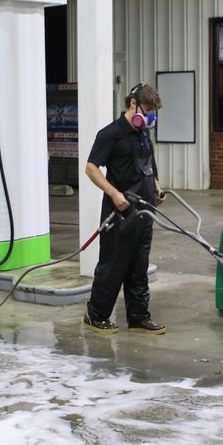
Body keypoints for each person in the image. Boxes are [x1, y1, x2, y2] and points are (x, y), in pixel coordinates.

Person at [83, 83, 166, 334]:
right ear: (133, 104)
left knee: (139, 266)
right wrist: (114, 193)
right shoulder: (110, 133)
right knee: (113, 265)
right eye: (148, 109)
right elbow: (91, 168)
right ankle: (96, 315)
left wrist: (157, 187)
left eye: (153, 111)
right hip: (119, 211)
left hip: (144, 210)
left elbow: (148, 164)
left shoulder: (143, 134)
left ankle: (139, 316)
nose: (151, 115)